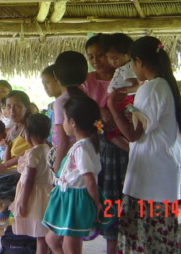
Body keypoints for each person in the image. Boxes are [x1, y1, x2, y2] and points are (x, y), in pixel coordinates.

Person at [108, 36, 181, 254]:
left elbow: (133, 135)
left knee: (144, 239)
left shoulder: (151, 88)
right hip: (160, 176)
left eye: (132, 64)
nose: (132, 69)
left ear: (139, 62)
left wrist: (113, 106)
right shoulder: (163, 86)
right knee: (159, 239)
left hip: (150, 181)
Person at [43, 95, 107, 254]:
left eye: (64, 118)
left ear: (73, 123)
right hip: (67, 197)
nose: (62, 123)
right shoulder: (81, 145)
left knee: (70, 246)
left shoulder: (82, 148)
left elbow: (89, 180)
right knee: (52, 239)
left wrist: (95, 203)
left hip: (75, 199)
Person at [81, 34, 127, 254]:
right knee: (106, 195)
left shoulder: (125, 76)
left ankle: (122, 244)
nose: (96, 60)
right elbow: (80, 111)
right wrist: (99, 112)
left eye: (100, 55)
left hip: (124, 142)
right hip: (99, 144)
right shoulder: (86, 80)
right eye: (91, 56)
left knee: (122, 193)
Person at [0, 90, 33, 221]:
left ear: (26, 108)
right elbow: (6, 157)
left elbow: (31, 152)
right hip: (9, 171)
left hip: (18, 176)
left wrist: (4, 165)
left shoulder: (28, 129)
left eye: (17, 106)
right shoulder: (12, 130)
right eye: (8, 106)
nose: (12, 111)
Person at [11, 113, 53, 254]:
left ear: (31, 134)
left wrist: (23, 201)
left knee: (39, 233)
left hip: (34, 196)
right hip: (45, 194)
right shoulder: (47, 149)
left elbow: (29, 179)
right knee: (42, 233)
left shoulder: (34, 153)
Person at [51, 51, 88, 174]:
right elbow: (98, 127)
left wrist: (57, 166)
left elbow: (63, 142)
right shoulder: (87, 98)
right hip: (86, 155)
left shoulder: (60, 102)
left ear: (56, 75)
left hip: (68, 159)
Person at [104, 33, 140, 152]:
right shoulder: (122, 67)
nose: (112, 62)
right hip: (117, 99)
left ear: (128, 55)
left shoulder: (128, 68)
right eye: (110, 58)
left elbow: (136, 85)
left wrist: (124, 91)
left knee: (112, 132)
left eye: (115, 58)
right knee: (108, 129)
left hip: (122, 101)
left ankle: (131, 150)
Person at [42, 64, 61, 145]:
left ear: (58, 80)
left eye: (48, 82)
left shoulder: (66, 105)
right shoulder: (50, 106)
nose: (45, 87)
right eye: (43, 84)